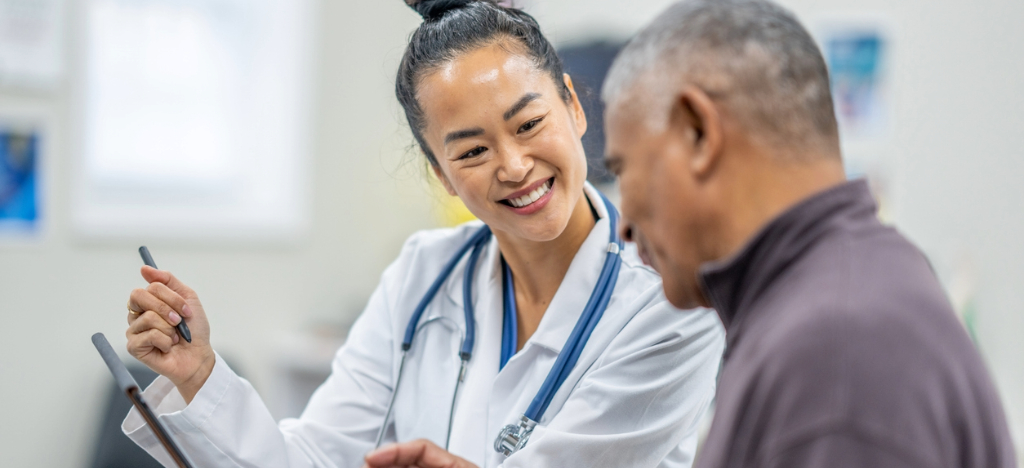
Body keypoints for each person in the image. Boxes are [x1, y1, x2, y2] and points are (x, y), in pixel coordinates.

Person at [120, 1, 725, 467]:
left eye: (531, 123)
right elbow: (315, 458)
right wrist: (197, 375)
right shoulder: (423, 273)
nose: (513, 166)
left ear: (572, 105)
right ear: (440, 173)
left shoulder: (672, 296)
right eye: (472, 151)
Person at [597, 0, 1016, 467]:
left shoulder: (835, 355)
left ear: (698, 133)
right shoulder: (852, 287)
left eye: (625, 170)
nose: (626, 224)